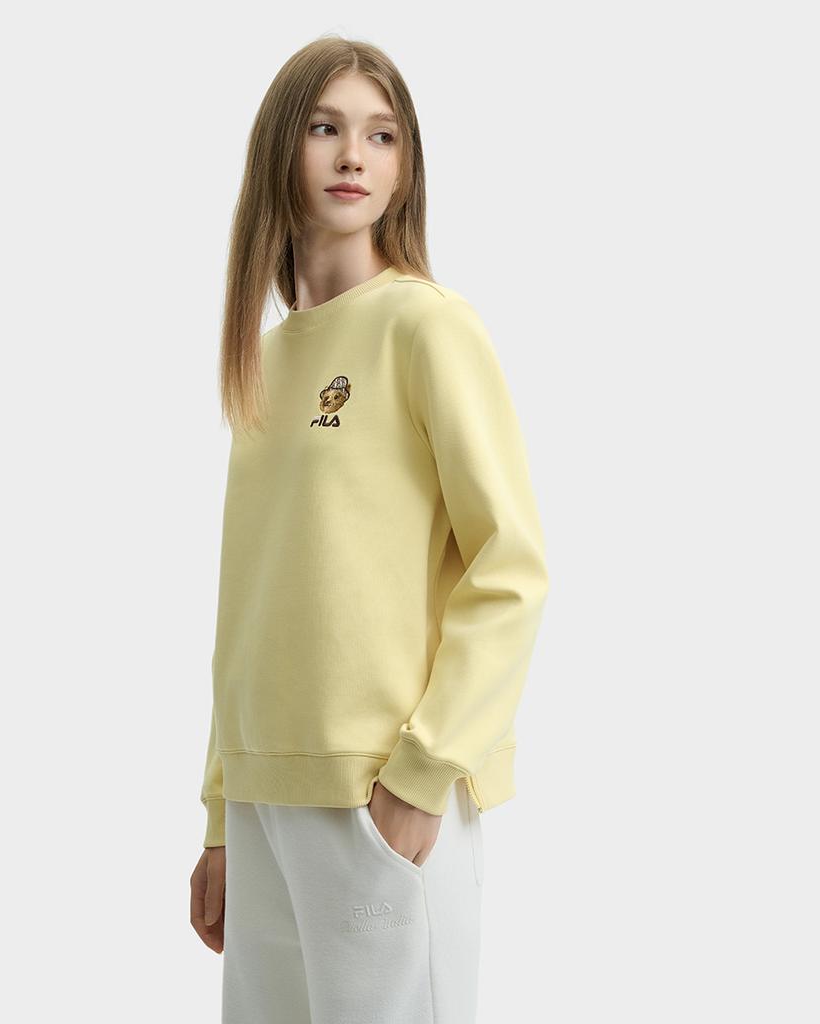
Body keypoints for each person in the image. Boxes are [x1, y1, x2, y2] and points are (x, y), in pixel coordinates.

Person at [189, 35, 550, 1024]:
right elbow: (249, 602)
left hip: (378, 795)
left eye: (382, 135)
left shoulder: (426, 328)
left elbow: (510, 567)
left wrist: (422, 773)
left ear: (405, 166)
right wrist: (222, 811)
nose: (354, 155)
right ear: (281, 149)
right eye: (325, 128)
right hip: (264, 798)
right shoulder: (262, 360)